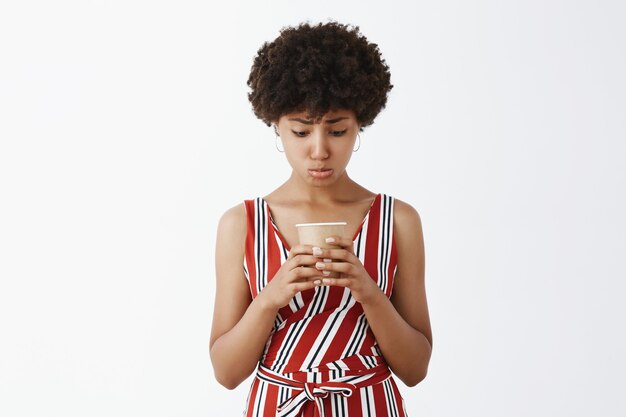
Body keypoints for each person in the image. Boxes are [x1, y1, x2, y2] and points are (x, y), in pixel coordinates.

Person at [209, 20, 432, 417]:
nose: (319, 150)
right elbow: (226, 373)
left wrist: (367, 291)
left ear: (359, 123)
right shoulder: (241, 224)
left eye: (337, 130)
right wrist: (270, 298)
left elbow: (415, 369)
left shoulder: (397, 221)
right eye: (300, 131)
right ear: (276, 126)